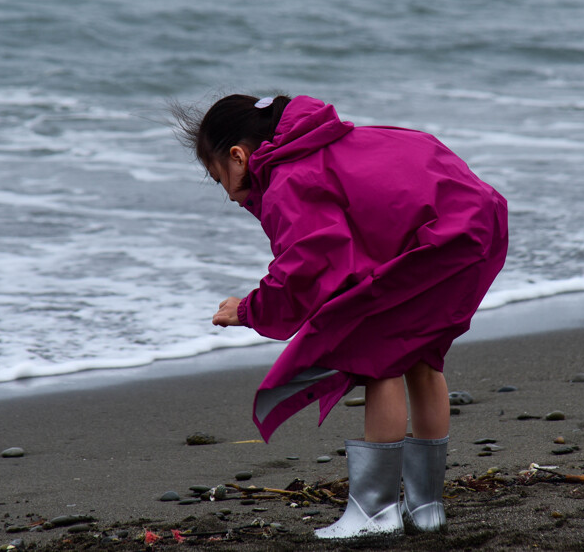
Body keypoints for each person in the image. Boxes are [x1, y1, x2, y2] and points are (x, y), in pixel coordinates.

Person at [173, 94, 508, 539]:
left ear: (238, 156)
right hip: (476, 225)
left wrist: (249, 309)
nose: (230, 196)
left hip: (443, 239)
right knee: (422, 357)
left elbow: (306, 268)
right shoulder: (331, 144)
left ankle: (374, 512)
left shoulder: (291, 178)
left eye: (220, 180)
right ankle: (427, 508)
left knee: (378, 357)